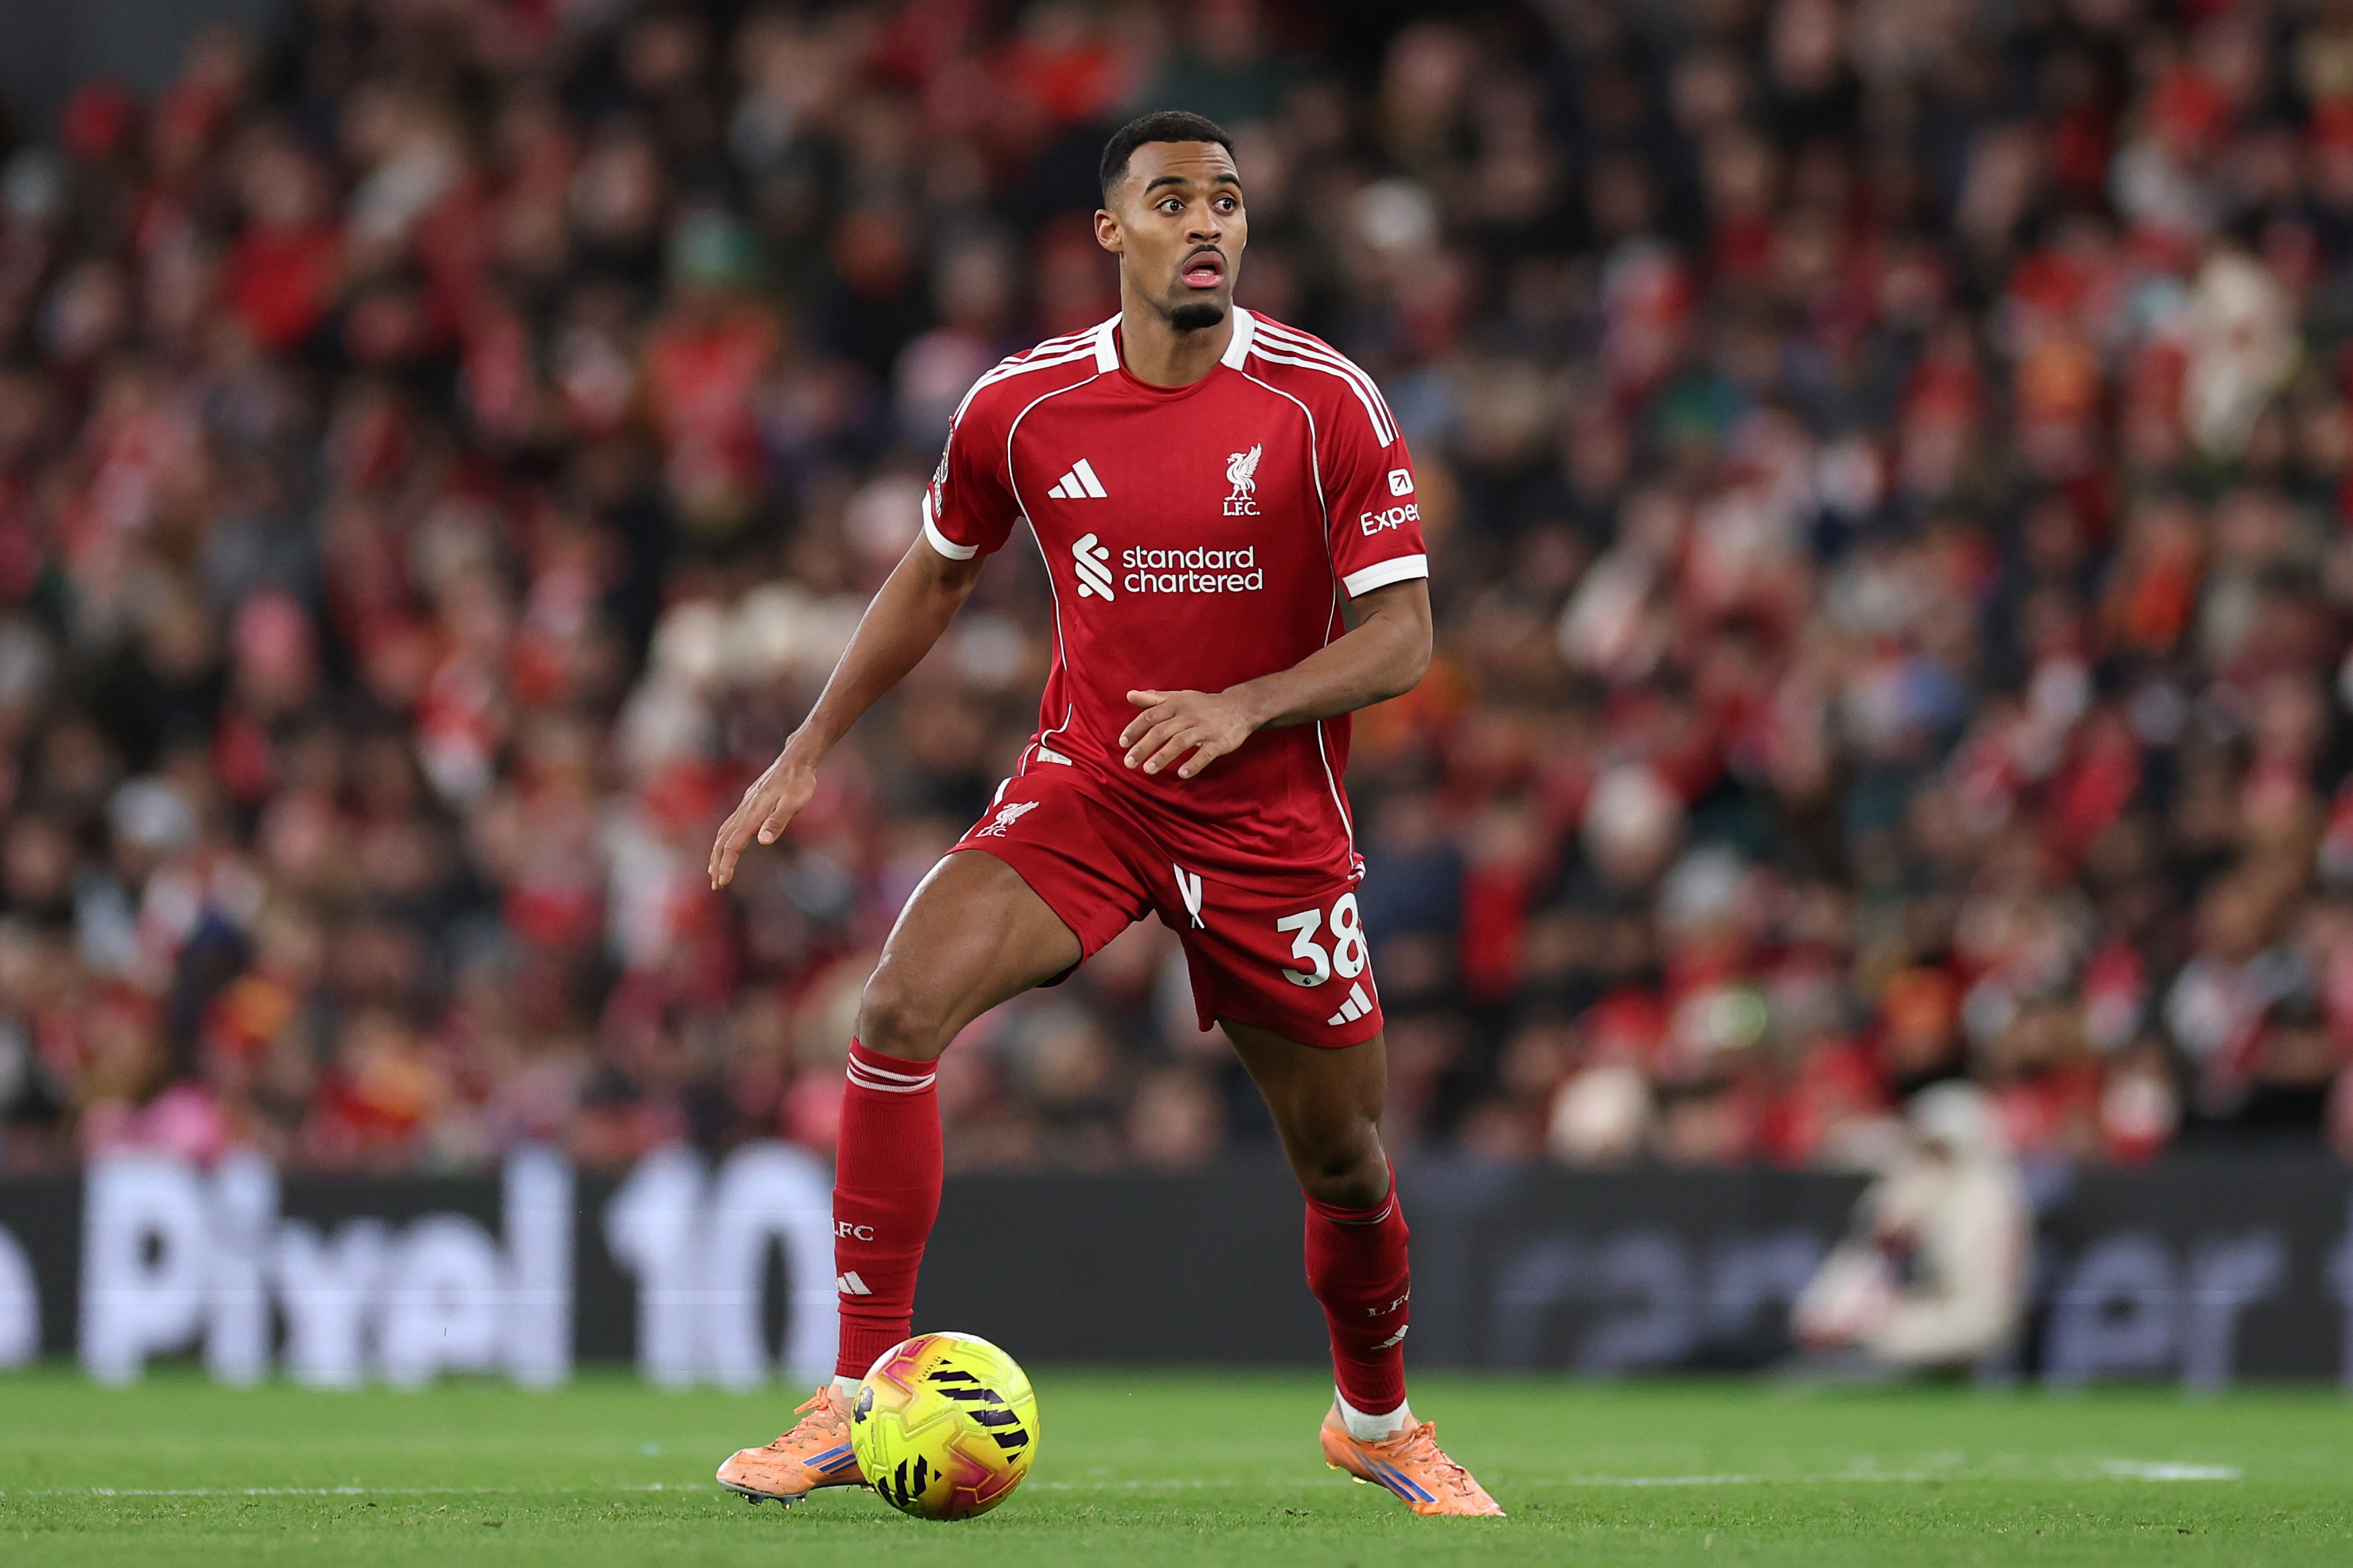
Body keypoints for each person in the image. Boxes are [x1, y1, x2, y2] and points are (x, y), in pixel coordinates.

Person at [707, 110, 1499, 1517]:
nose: (1208, 223)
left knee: (1343, 1154)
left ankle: (1373, 1418)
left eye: (1230, 203)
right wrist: (809, 740)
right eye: (1175, 199)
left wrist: (1248, 702)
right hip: (1093, 786)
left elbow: (1404, 637)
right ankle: (847, 1394)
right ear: (1110, 231)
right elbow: (937, 574)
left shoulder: (1324, 402)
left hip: (1265, 824)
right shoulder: (1023, 404)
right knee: (894, 1013)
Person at [1790, 1082, 2032, 1373]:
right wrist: (1838, 1316)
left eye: (1940, 1151)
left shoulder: (1989, 1202)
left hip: (1948, 1351)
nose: (1930, 1162)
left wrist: (1888, 1328)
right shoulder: (1904, 1191)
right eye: (1925, 1150)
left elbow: (1982, 1320)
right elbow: (1843, 1284)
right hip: (1884, 1344)